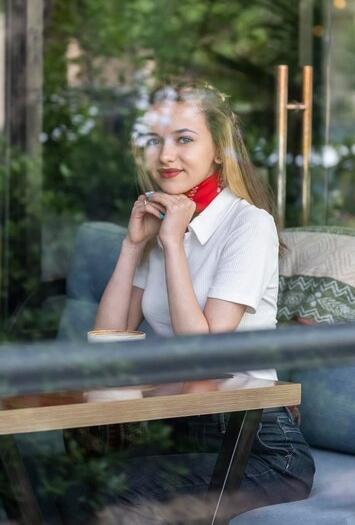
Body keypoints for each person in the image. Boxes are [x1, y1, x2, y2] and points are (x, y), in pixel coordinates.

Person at [92, 79, 315, 524]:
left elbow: (206, 356)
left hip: (259, 449)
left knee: (113, 497)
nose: (166, 155)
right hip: (179, 430)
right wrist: (134, 246)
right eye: (155, 140)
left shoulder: (248, 225)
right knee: (61, 480)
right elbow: (106, 340)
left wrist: (173, 244)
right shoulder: (166, 217)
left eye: (184, 139)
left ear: (219, 150)